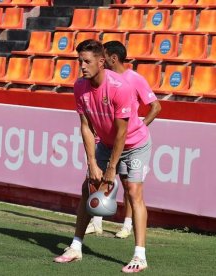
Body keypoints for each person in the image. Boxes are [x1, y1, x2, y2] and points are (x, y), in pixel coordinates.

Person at [54, 40, 152, 273]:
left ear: (101, 62)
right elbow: (86, 126)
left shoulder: (121, 87)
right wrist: (92, 163)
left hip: (134, 143)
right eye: (80, 62)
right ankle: (76, 247)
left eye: (87, 62)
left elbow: (122, 132)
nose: (82, 67)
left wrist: (110, 169)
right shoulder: (79, 87)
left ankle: (140, 256)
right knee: (87, 189)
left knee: (133, 192)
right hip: (106, 144)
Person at [85, 41, 161, 239]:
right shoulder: (103, 80)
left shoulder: (134, 79)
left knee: (130, 186)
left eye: (104, 57)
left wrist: (140, 126)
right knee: (100, 180)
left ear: (113, 58)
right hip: (110, 141)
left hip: (130, 142)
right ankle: (97, 221)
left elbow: (156, 106)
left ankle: (127, 225)